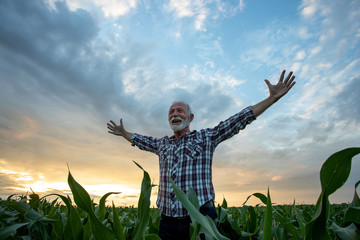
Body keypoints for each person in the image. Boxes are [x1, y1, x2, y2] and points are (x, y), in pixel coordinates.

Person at [107, 70, 296, 240]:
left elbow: (239, 119)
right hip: (168, 222)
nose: (175, 114)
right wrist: (124, 133)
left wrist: (271, 99)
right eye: (171, 112)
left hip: (200, 219)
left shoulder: (206, 138)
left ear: (190, 118)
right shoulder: (162, 144)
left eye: (180, 110)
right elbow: (141, 140)